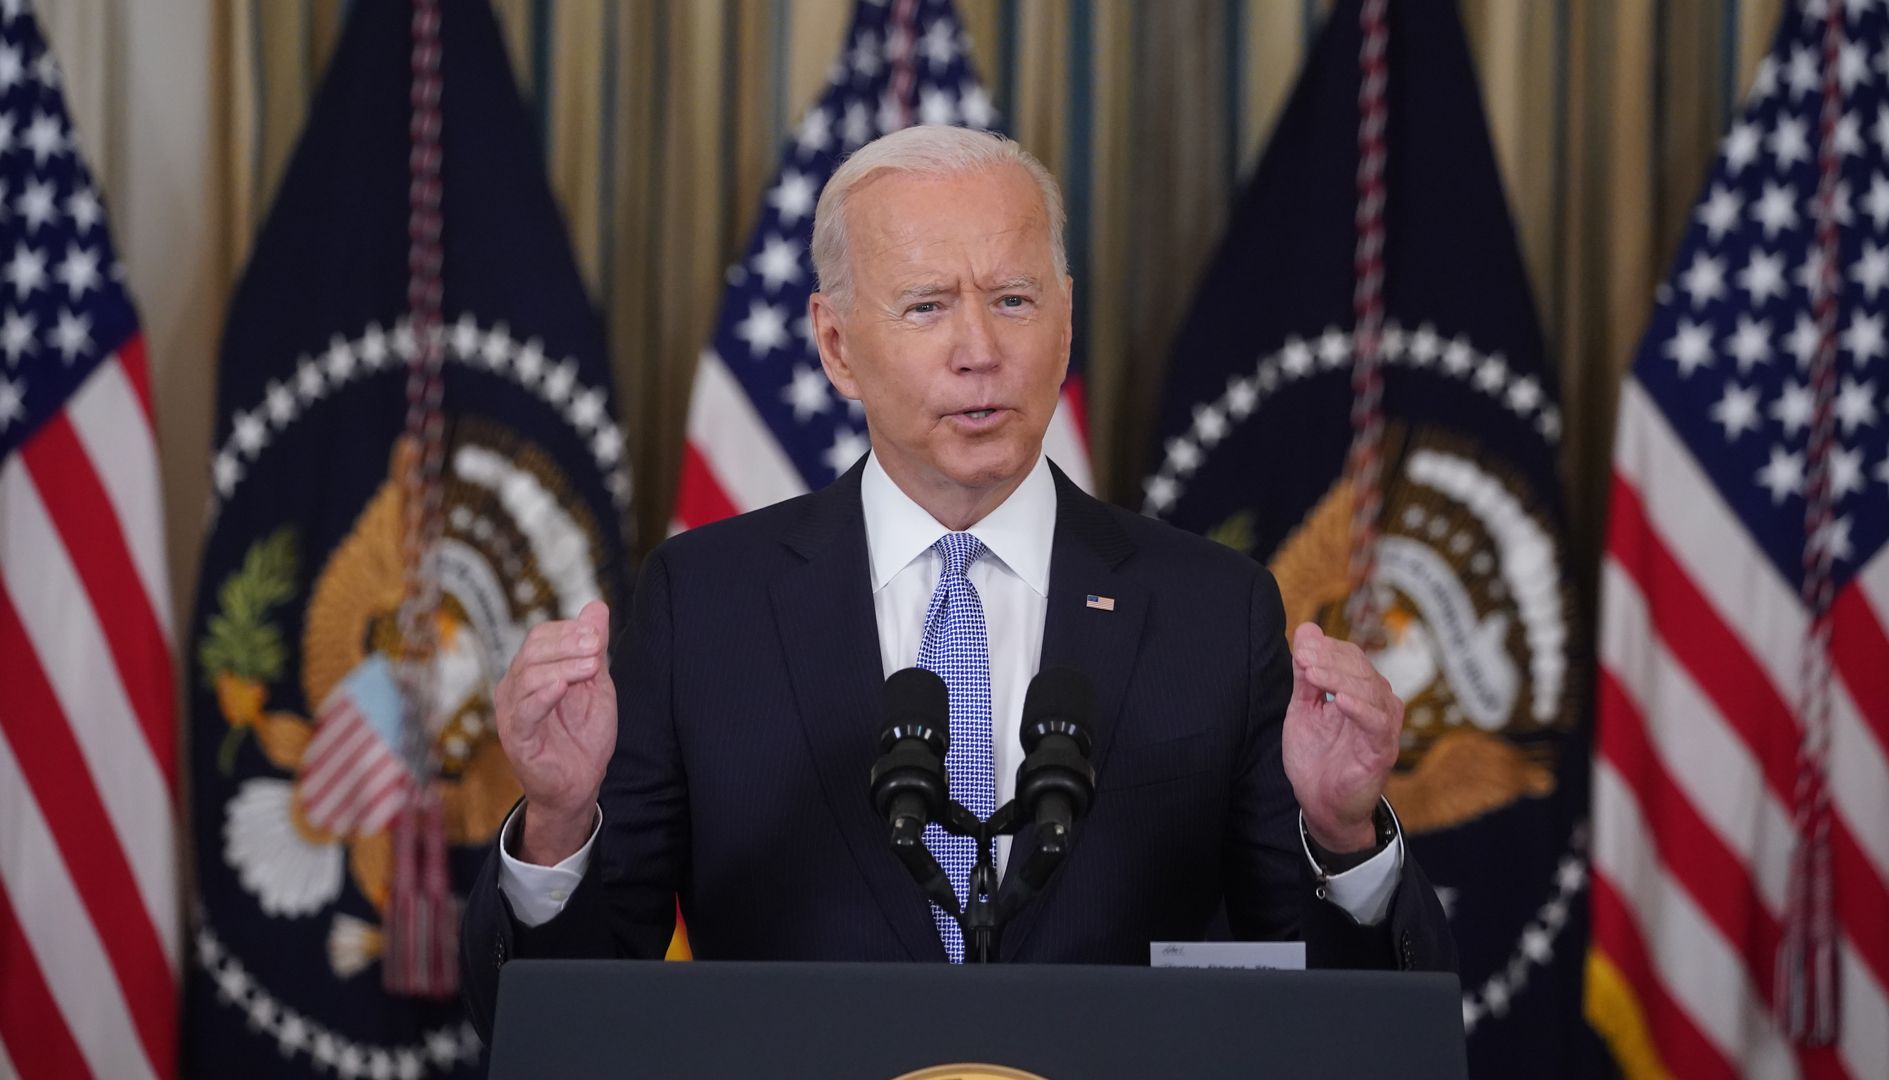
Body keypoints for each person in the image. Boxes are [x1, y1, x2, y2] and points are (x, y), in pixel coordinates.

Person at [461, 125, 1455, 1039]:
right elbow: (553, 1020)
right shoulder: (706, 606)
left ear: (1063, 325)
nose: (980, 351)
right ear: (837, 345)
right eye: (928, 306)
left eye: (1014, 300)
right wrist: (555, 827)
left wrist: (1344, 838)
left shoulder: (1212, 611)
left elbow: (1340, 1021)